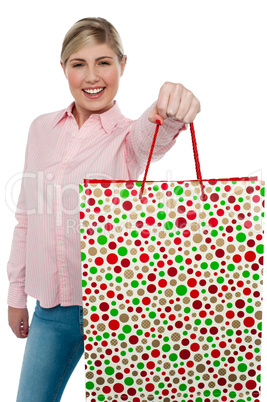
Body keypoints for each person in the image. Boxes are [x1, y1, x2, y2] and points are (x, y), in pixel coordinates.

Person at [7, 17, 200, 401]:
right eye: (79, 63)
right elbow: (26, 215)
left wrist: (172, 106)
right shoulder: (40, 129)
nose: (92, 76)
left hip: (119, 314)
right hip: (52, 314)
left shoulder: (128, 137)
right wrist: (16, 295)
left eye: (104, 62)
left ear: (122, 65)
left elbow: (155, 131)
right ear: (64, 69)